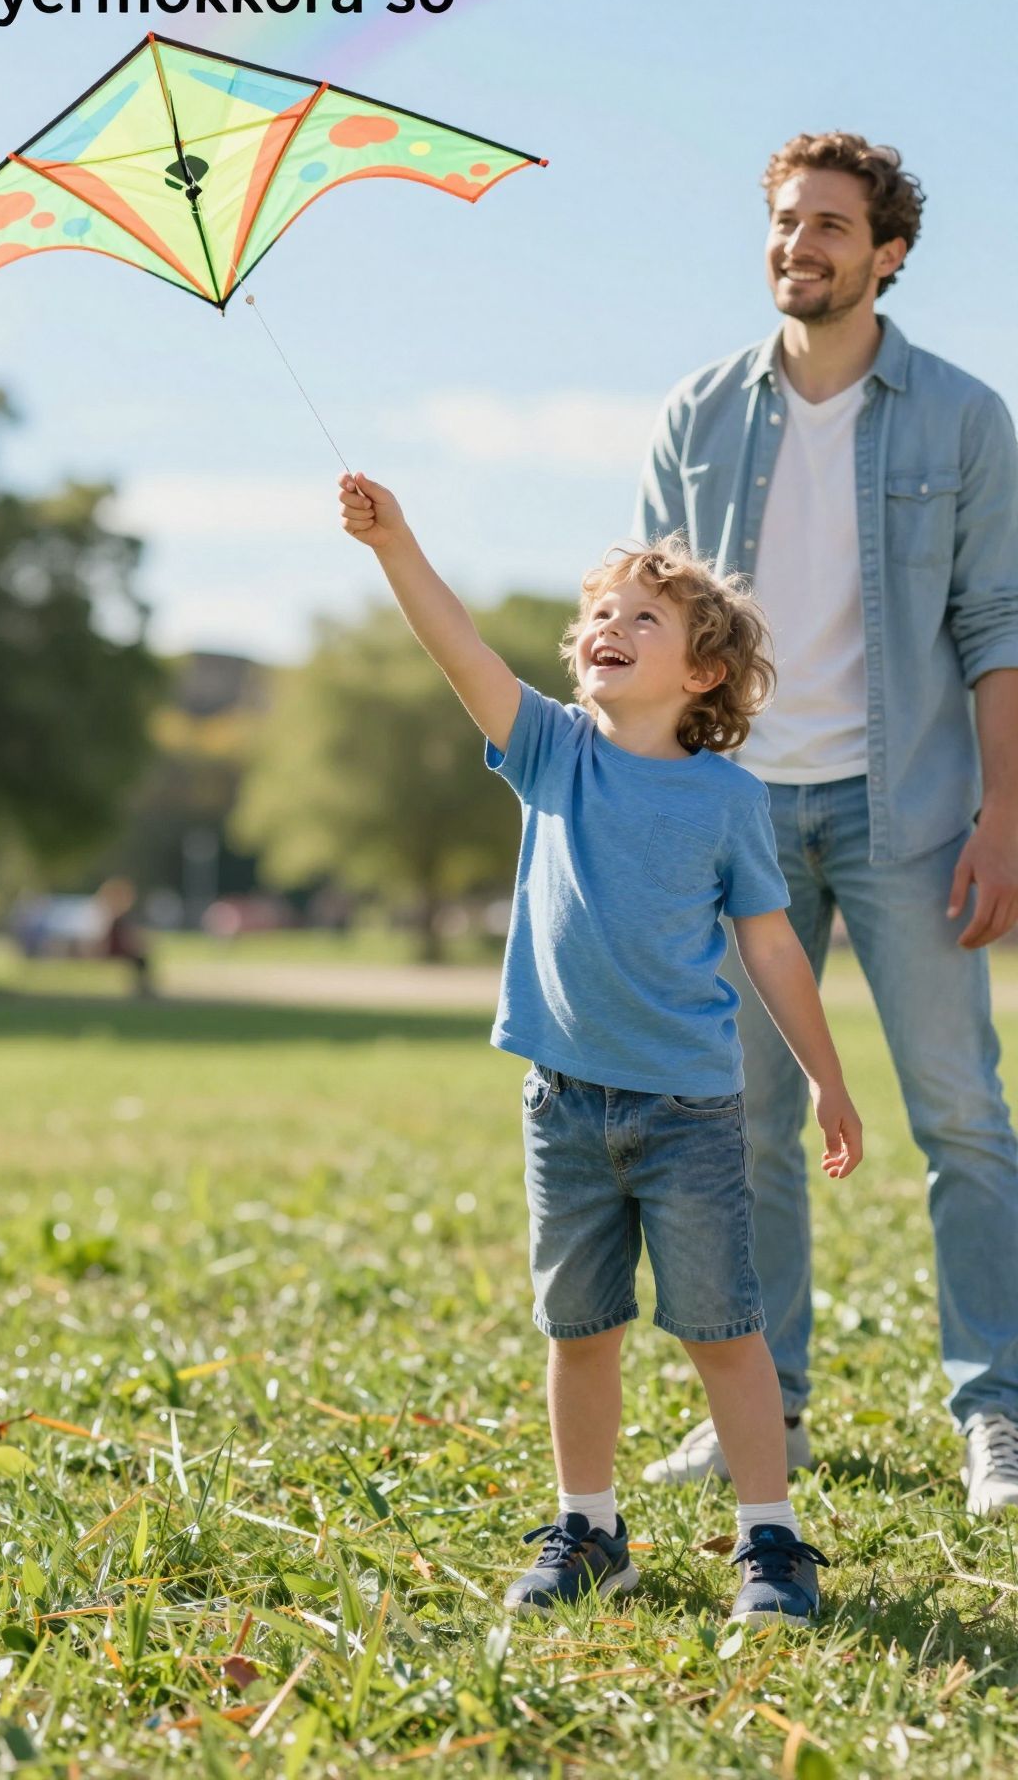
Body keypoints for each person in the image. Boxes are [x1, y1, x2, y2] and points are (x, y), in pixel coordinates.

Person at [340, 469, 863, 1622]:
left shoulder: (728, 799)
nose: (606, 628)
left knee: (728, 1333)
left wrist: (828, 1078)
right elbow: (460, 647)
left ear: (703, 671)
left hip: (690, 1116)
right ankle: (589, 1526)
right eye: (597, 615)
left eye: (642, 615)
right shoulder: (551, 752)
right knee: (582, 1332)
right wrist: (398, 545)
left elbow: (775, 951)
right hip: (565, 1107)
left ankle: (769, 1542)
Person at [633, 132, 1018, 1517]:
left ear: (887, 253)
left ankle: (999, 1413)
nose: (803, 244)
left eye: (832, 225)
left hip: (910, 812)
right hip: (737, 814)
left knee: (962, 1114)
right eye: (788, 221)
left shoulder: (965, 417)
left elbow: (997, 626)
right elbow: (651, 631)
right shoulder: (697, 414)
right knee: (741, 1121)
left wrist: (1004, 815)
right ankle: (767, 1415)